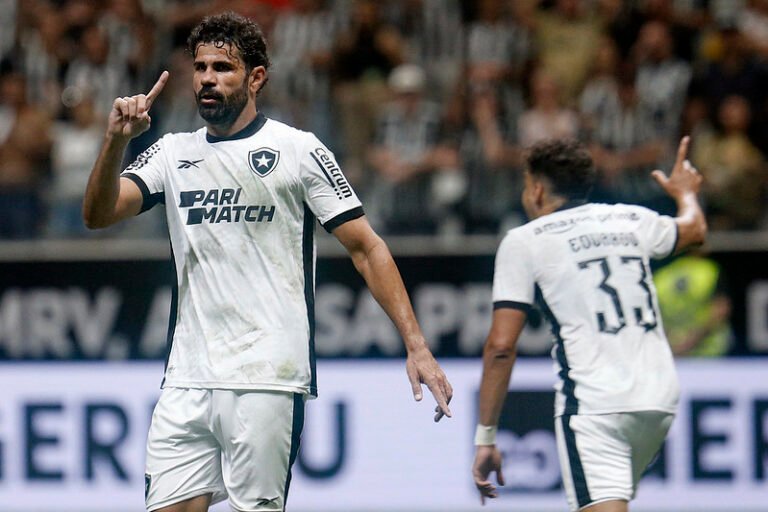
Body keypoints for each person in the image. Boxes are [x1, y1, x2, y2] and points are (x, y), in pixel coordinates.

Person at [82, 12, 452, 512]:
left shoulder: (297, 150)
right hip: (187, 378)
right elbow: (99, 214)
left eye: (223, 68)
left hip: (267, 377)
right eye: (201, 67)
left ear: (255, 78)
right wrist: (115, 142)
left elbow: (367, 247)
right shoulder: (171, 153)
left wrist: (417, 345)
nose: (208, 78)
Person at [471, 136, 706, 512]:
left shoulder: (525, 241)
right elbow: (693, 229)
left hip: (596, 407)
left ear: (536, 189)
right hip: (659, 400)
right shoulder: (629, 218)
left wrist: (485, 437)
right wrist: (685, 193)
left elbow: (501, 346)